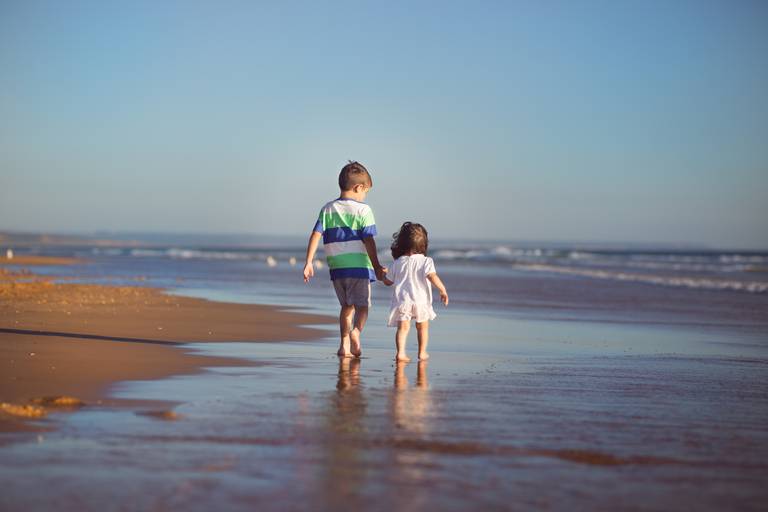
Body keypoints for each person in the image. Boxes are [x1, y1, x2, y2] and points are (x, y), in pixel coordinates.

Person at [303, 161, 387, 358]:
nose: (364, 196)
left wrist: (308, 262)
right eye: (365, 191)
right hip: (359, 268)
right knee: (362, 306)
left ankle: (344, 346)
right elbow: (368, 240)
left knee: (346, 307)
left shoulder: (327, 209)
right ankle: (356, 332)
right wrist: (376, 266)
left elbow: (315, 235)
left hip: (337, 269)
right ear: (358, 188)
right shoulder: (363, 210)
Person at [382, 222, 448, 362]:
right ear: (423, 244)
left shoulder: (397, 262)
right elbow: (432, 276)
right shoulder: (426, 261)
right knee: (422, 327)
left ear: (401, 243)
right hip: (420, 301)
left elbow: (388, 282)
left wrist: (383, 275)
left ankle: (400, 353)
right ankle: (422, 352)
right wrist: (442, 289)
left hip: (403, 301)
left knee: (403, 328)